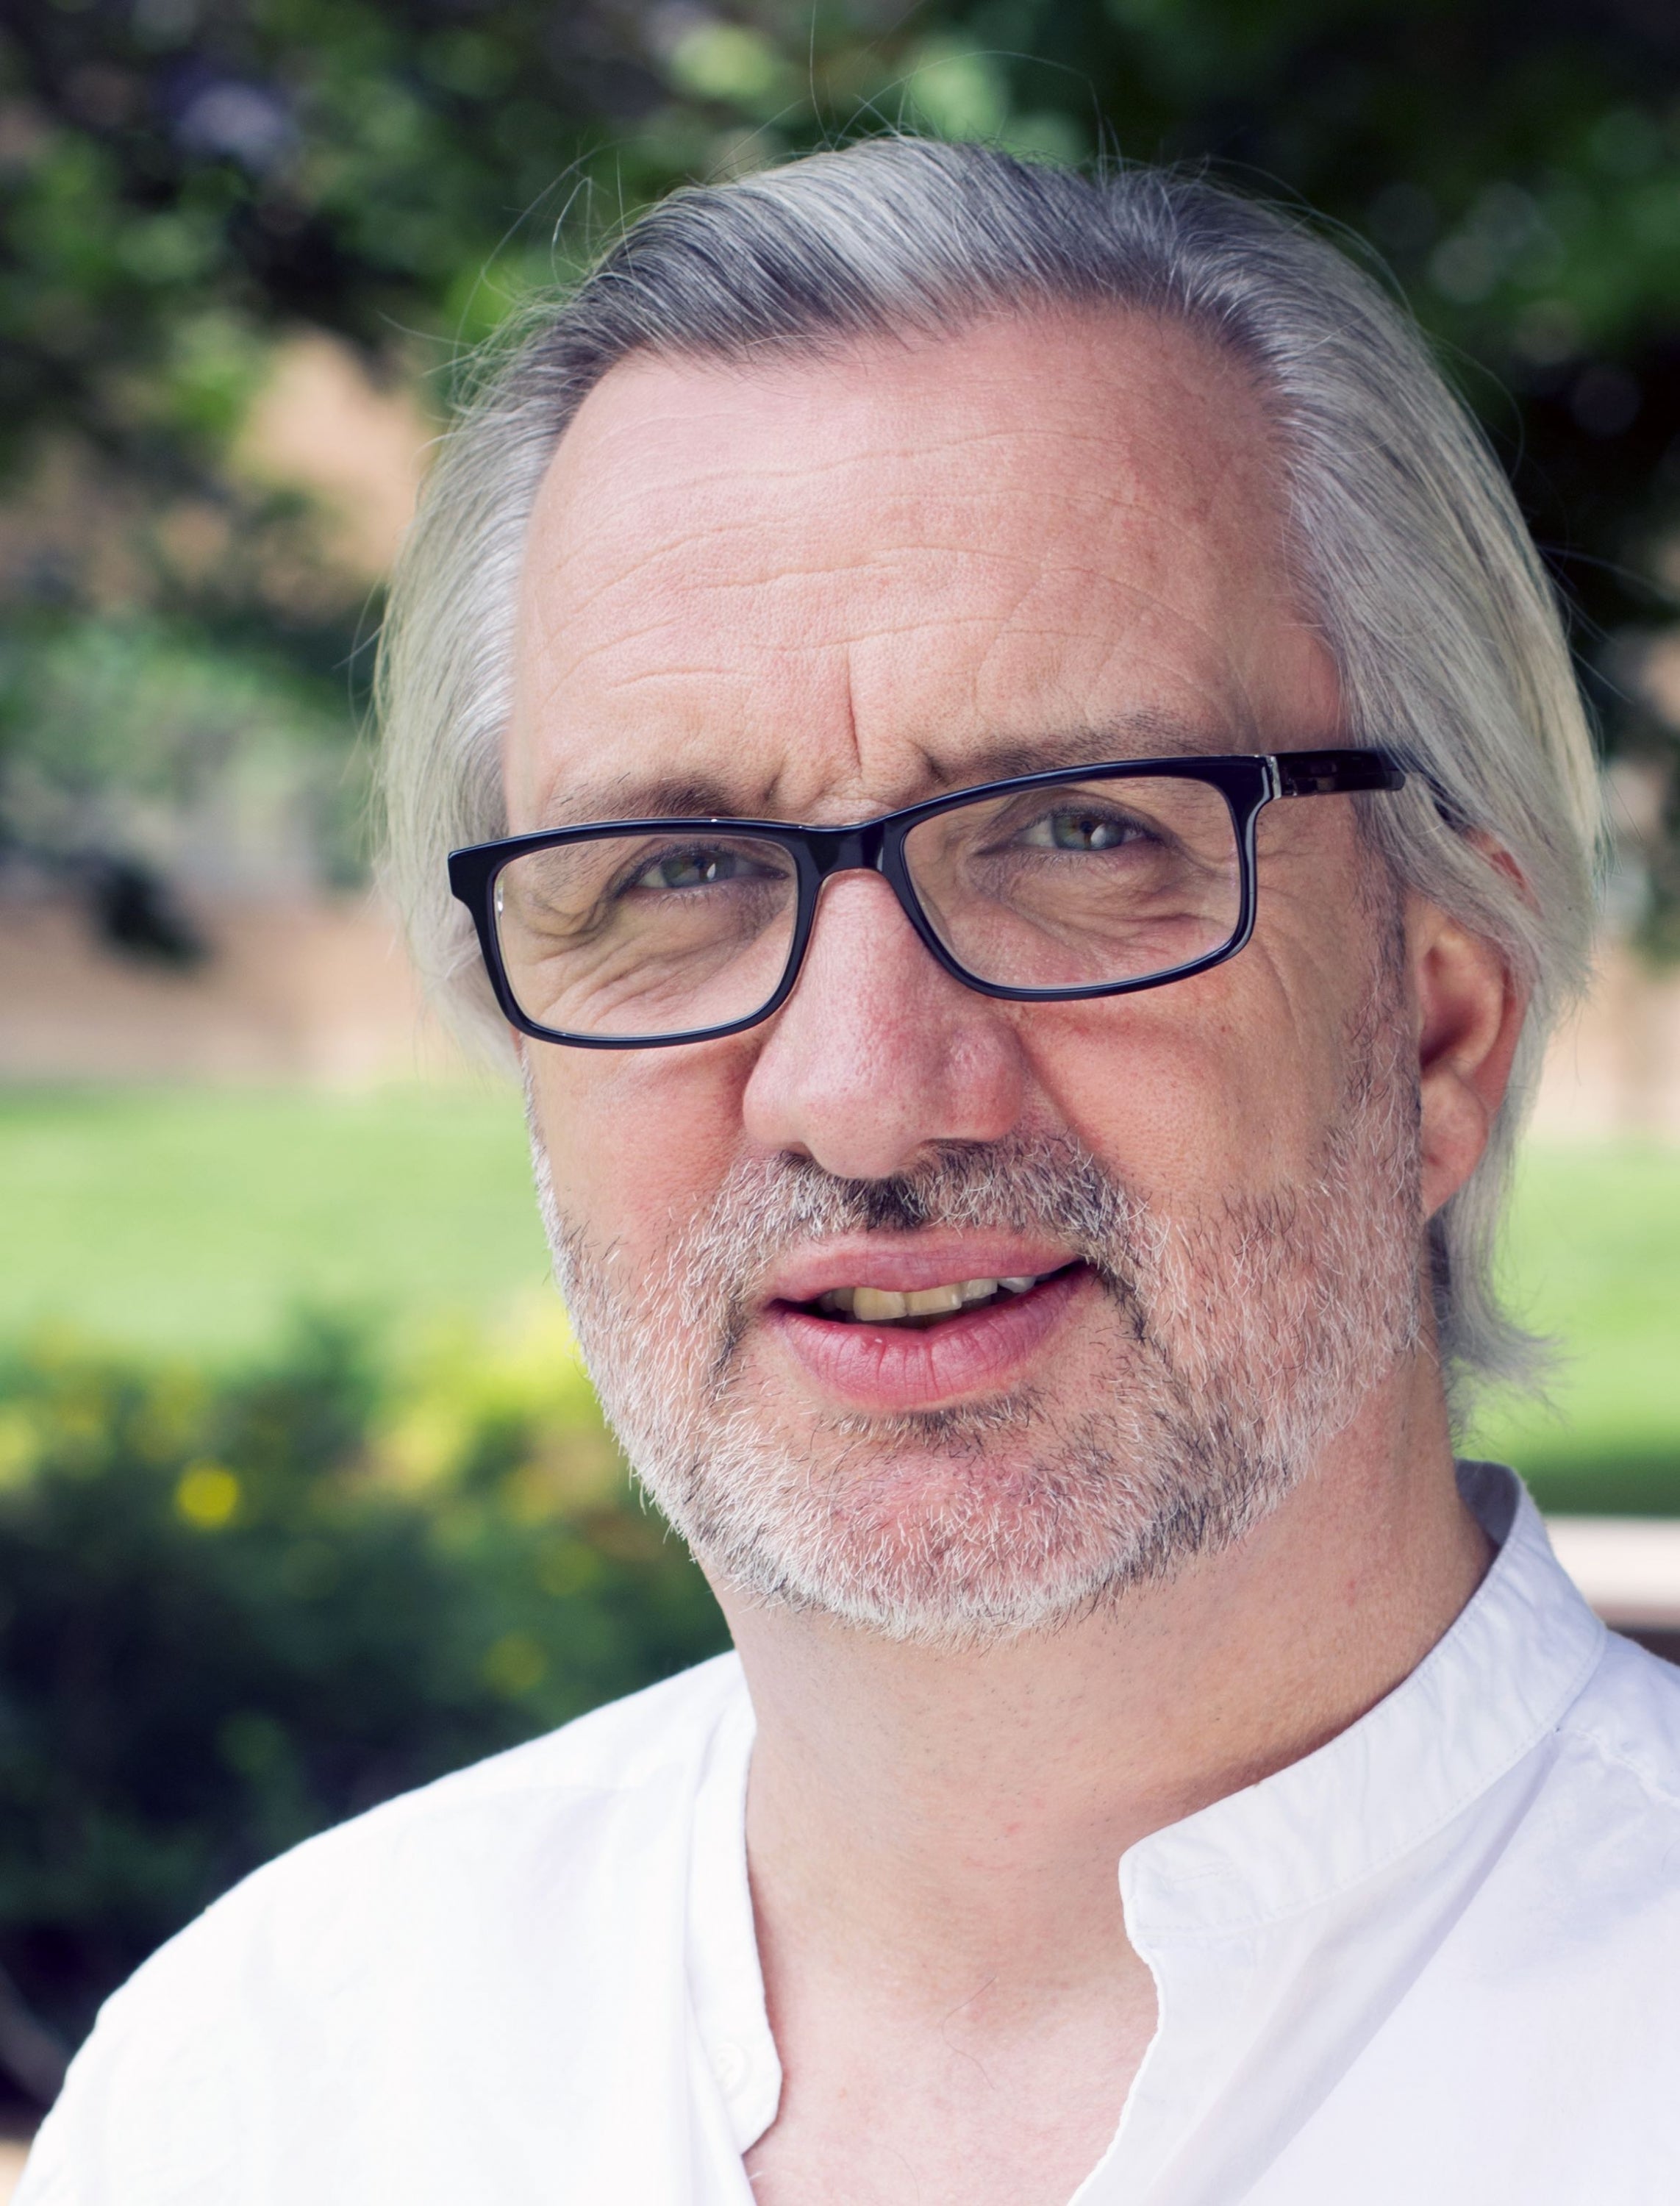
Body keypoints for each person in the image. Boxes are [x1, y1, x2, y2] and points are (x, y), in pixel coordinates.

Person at [21, 138, 1680, 2206]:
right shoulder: (278, 2086)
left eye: (1082, 833)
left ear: (1438, 1017)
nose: (869, 1093)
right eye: (679, 874)